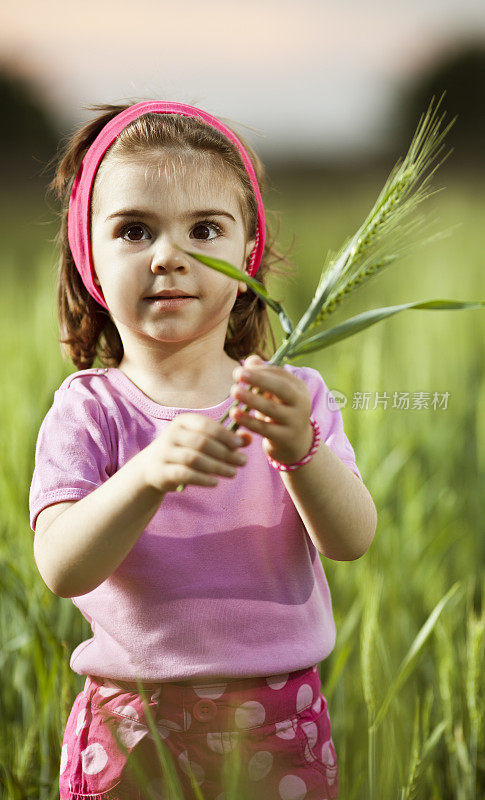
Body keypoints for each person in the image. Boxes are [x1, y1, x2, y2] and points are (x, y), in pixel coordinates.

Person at [29, 99, 377, 800]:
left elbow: (350, 540)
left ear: (247, 251)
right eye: (133, 229)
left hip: (278, 718)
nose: (169, 255)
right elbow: (62, 568)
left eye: (204, 229)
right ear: (87, 254)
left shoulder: (289, 397)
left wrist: (300, 451)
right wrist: (145, 475)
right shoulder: (90, 410)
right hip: (128, 723)